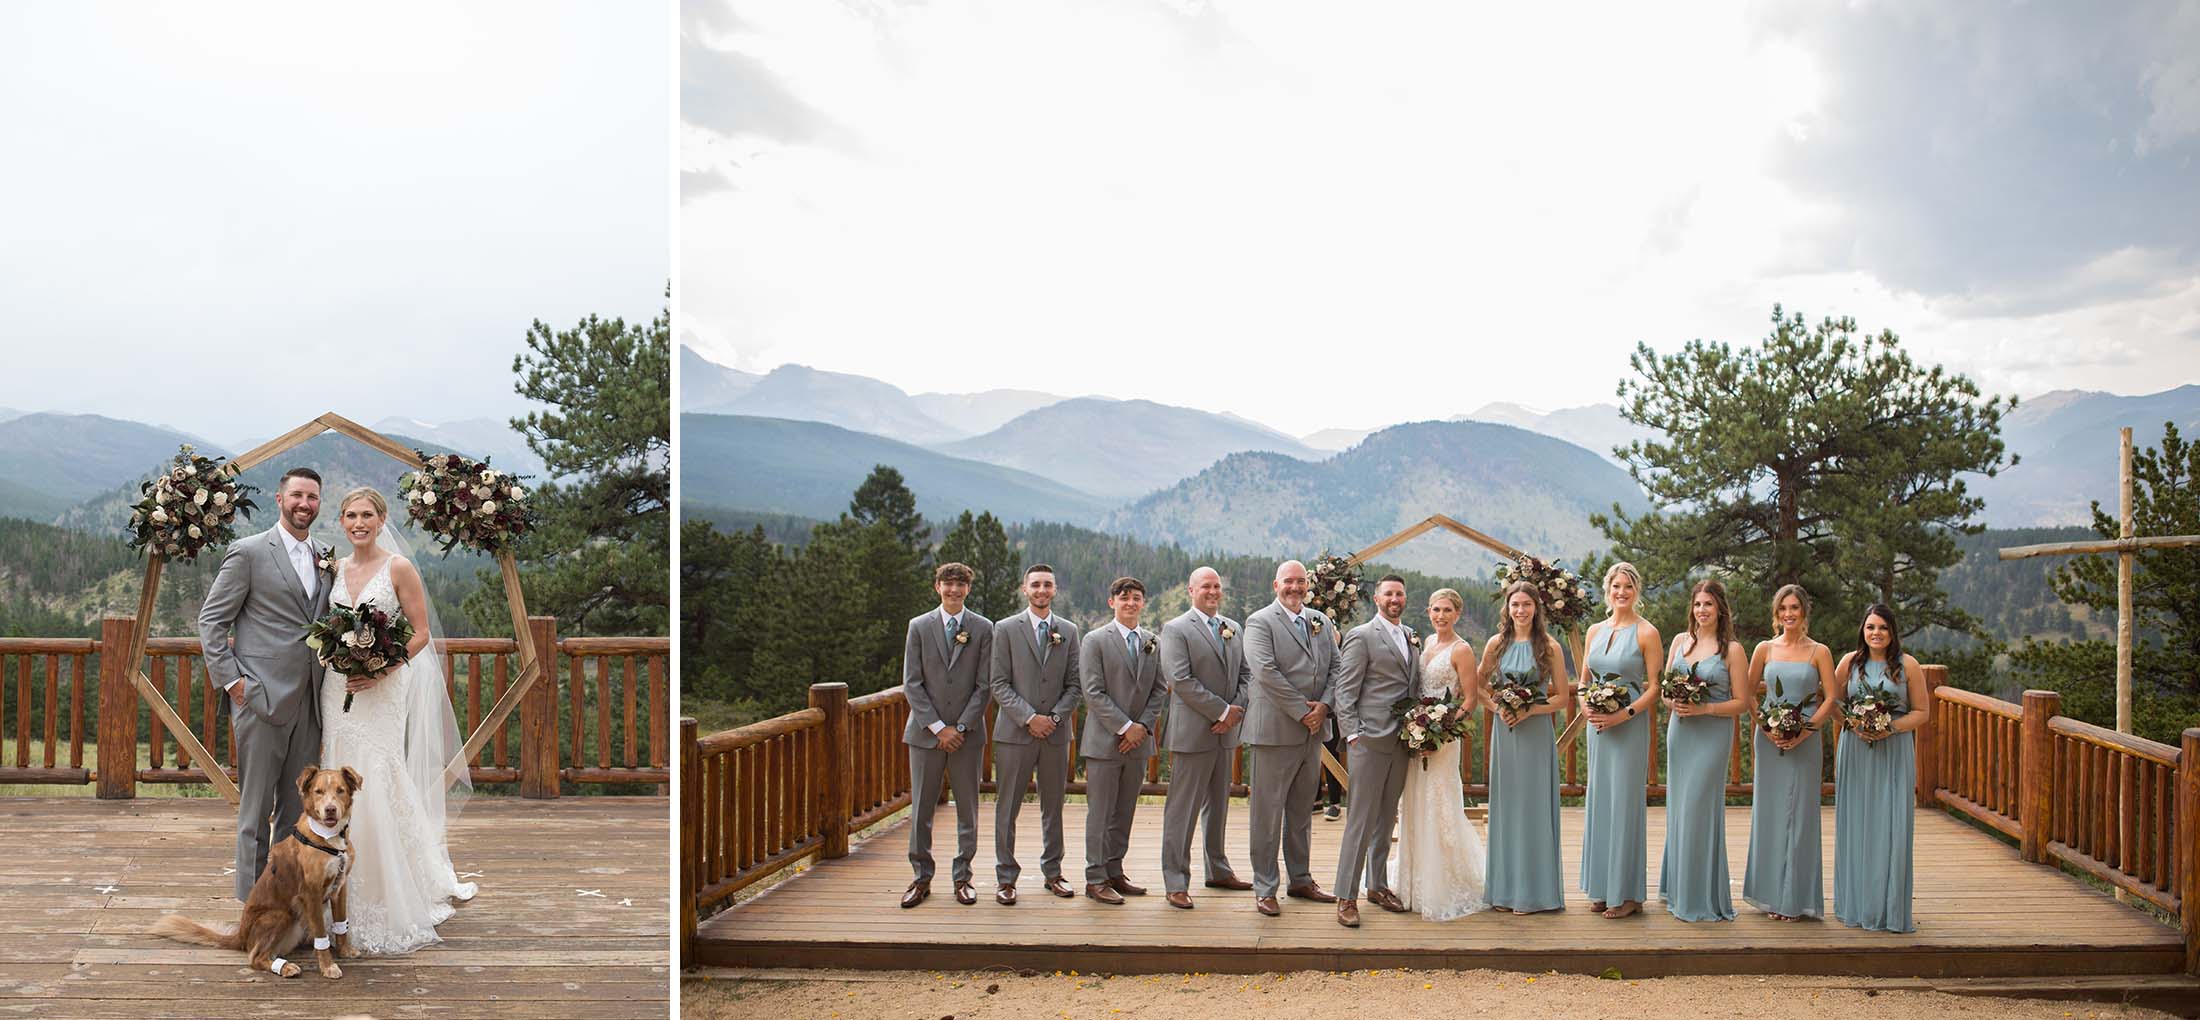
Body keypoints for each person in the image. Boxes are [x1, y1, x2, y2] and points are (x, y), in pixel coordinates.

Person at [315, 486, 475, 955]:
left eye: (367, 514)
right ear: (341, 523)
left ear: (382, 520)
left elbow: (421, 632)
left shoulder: (398, 567)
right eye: (350, 515)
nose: (358, 522)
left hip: (383, 688)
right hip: (338, 688)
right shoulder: (337, 569)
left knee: (378, 772)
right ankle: (334, 879)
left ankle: (386, 888)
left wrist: (379, 670)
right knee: (337, 769)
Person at [198, 467, 334, 901]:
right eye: (296, 495)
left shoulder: (325, 555)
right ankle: (250, 909)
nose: (304, 504)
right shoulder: (249, 552)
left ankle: (287, 902)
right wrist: (234, 684)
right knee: (254, 814)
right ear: (280, 500)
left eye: (312, 497)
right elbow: (211, 621)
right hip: (259, 699)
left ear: (318, 503)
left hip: (311, 705)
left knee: (298, 814)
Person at [1240, 559, 1340, 917]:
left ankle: (1301, 879)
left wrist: (1325, 707)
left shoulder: (1321, 620)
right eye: (1288, 582)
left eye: (1300, 582)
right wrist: (1304, 710)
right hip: (1275, 730)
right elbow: (1264, 671)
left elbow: (1337, 667)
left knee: (1301, 811)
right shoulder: (1259, 622)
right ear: (1275, 584)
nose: (1295, 588)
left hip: (1313, 732)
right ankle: (1265, 886)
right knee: (1267, 813)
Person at [1154, 567, 1252, 910]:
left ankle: (1218, 870)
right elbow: (1180, 680)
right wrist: (1222, 712)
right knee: (1182, 810)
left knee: (1218, 807)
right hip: (1193, 733)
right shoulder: (1177, 629)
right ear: (1190, 590)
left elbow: (1246, 674)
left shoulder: (1233, 628)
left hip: (1226, 734)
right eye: (1206, 587)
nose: (1213, 592)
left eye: (1217, 587)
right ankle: (1176, 880)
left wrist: (1236, 709)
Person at [898, 562, 994, 908]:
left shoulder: (983, 628)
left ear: (968, 589)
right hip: (926, 735)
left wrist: (961, 728)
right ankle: (921, 876)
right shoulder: (919, 627)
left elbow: (984, 685)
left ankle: (963, 877)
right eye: (948, 584)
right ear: (937, 587)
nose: (954, 590)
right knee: (922, 806)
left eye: (961, 584)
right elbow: (912, 683)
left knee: (967, 808)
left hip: (967, 736)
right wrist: (938, 728)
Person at [1742, 584, 1839, 922]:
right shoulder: (1764, 649)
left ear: (1804, 612)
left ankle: (1793, 899)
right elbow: (1747, 692)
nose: (1789, 614)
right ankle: (1770, 895)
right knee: (1770, 814)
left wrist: (1806, 731)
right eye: (1783, 608)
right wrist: (1765, 727)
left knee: (1799, 816)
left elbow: (1829, 698)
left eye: (1794, 607)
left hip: (1805, 741)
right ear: (1776, 613)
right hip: (1768, 742)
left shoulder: (1819, 652)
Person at [1392, 587, 1489, 921]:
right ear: (1429, 612)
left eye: (1447, 610)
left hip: (1443, 740)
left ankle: (1443, 881)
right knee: (1415, 802)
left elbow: (1470, 700)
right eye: (1435, 610)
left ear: (1457, 613)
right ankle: (1412, 879)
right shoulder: (1427, 644)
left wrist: (1444, 730)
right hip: (1418, 736)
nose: (1440, 616)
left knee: (1439, 804)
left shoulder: (1461, 650)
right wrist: (1418, 728)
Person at [988, 564, 1082, 904]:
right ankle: (1005, 877)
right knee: (1007, 806)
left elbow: (1075, 685)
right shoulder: (1006, 629)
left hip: (1056, 735)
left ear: (1055, 590)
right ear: (1024, 589)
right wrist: (1030, 718)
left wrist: (1054, 718)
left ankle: (1053, 872)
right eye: (1036, 585)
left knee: (1053, 806)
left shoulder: (1069, 630)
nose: (1042, 590)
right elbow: (998, 683)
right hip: (1015, 733)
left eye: (1048, 585)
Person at [1832, 602, 1928, 933]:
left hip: (1894, 751)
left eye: (1883, 628)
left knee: (1891, 826)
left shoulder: (1908, 666)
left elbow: (1921, 712)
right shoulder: (1849, 663)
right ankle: (1855, 904)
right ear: (1863, 630)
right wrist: (1854, 723)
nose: (1876, 633)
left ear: (1892, 632)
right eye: (1871, 627)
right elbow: (1833, 702)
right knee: (1857, 823)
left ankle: (1889, 908)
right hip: (1856, 750)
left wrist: (1890, 728)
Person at [1659, 579, 1750, 922]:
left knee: (1699, 809)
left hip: (1711, 735)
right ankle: (1678, 890)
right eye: (1697, 604)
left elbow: (1741, 702)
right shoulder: (1681, 642)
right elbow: (1666, 690)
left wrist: (1704, 709)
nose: (1702, 611)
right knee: (1680, 811)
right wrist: (1677, 700)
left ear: (1720, 609)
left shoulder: (1733, 651)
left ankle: (1701, 897)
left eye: (1709, 605)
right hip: (1681, 733)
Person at [1331, 575, 1420, 927]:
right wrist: (1353, 735)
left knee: (1386, 819)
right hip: (1368, 741)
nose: (1394, 598)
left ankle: (1377, 885)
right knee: (1360, 821)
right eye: (1388, 593)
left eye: (1400, 593)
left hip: (1401, 742)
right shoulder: (1362, 636)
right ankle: (1345, 896)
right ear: (1376, 598)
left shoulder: (1411, 635)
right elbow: (1345, 691)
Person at [1578, 562, 1662, 919]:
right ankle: (1601, 888)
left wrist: (1621, 715)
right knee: (1601, 802)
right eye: (1616, 586)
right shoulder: (1595, 630)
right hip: (1597, 728)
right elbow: (1582, 680)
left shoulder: (1647, 632)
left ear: (1636, 591)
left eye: (1628, 586)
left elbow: (1655, 688)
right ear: (1607, 590)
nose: (1621, 592)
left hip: (1627, 726)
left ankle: (1628, 895)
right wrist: (1586, 708)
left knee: (1625, 804)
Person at [1479, 581, 1568, 914]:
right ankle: (1504, 892)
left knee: (1533, 809)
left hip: (1535, 734)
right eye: (1515, 604)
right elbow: (1480, 686)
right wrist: (1498, 708)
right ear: (1508, 608)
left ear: (1536, 609)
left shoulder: (1549, 647)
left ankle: (1536, 894)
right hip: (1506, 734)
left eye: (1527, 605)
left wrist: (1531, 709)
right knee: (1507, 809)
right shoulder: (1495, 645)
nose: (1520, 610)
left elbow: (1561, 697)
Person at [1077, 577, 1166, 904]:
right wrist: (1124, 727)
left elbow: (1159, 689)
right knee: (1100, 812)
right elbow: (1093, 691)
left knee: (1124, 810)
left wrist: (1141, 727)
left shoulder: (1152, 641)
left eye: (1137, 598)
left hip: (1139, 742)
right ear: (1111, 602)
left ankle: (1115, 870)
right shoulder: (1095, 640)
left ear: (1144, 602)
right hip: (1104, 741)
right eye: (1124, 597)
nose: (1130, 603)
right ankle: (1095, 877)